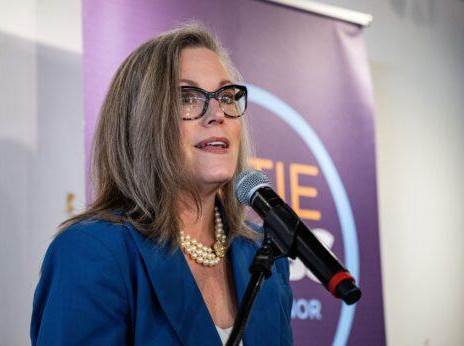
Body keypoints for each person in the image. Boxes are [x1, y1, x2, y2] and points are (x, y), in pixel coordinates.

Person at [30, 23, 293, 346]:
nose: (217, 114)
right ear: (142, 123)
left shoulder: (265, 259)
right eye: (187, 98)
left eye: (226, 96)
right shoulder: (92, 252)